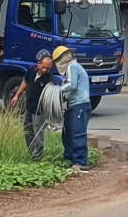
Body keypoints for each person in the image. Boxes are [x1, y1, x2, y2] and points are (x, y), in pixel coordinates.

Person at [11, 49, 55, 161]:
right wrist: (17, 95)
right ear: (38, 64)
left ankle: (37, 159)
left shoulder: (50, 80)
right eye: (43, 67)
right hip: (29, 107)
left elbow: (53, 97)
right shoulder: (31, 70)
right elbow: (25, 81)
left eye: (48, 68)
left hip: (40, 112)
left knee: (38, 135)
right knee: (28, 130)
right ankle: (31, 153)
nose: (45, 70)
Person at [53, 45, 92, 173]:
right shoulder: (71, 68)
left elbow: (72, 85)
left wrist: (56, 90)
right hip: (73, 105)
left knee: (77, 132)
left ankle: (80, 162)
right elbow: (70, 90)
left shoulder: (73, 67)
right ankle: (70, 159)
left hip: (80, 104)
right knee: (67, 133)